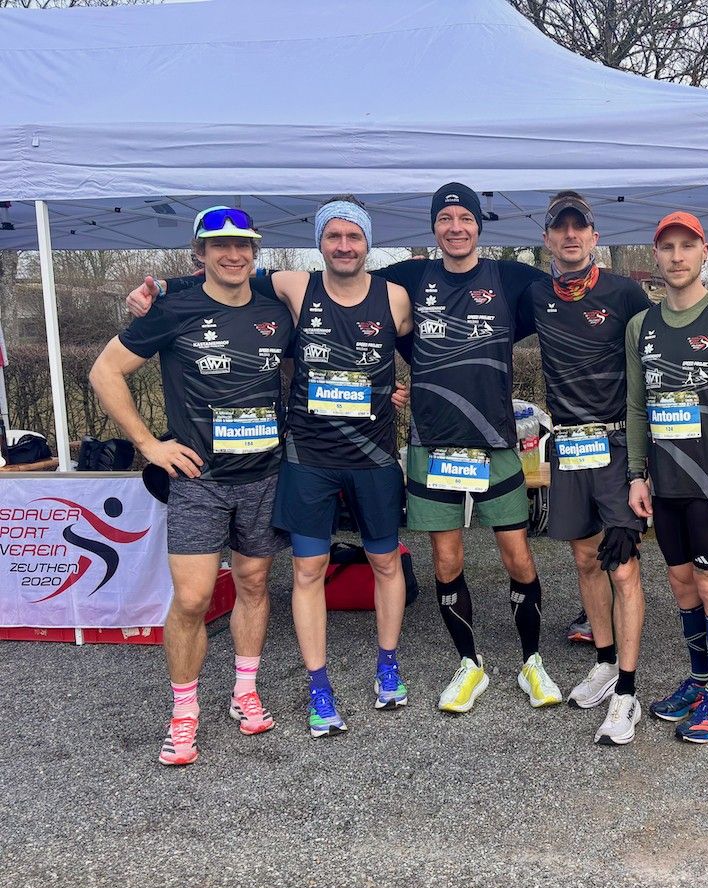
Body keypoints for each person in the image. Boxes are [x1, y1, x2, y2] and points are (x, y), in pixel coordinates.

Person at [124, 198, 416, 736]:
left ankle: (388, 665)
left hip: (372, 457)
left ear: (368, 242)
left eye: (354, 236)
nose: (344, 245)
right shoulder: (293, 287)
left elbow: (428, 354)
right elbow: (225, 276)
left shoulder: (396, 297)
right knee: (305, 571)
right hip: (306, 458)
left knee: (385, 563)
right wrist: (160, 288)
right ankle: (318, 686)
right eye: (333, 236)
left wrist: (401, 391)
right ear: (319, 243)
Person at [90, 207, 294, 765]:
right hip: (199, 481)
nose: (233, 254)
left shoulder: (277, 310)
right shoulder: (172, 308)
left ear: (255, 252)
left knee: (254, 585)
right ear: (199, 253)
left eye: (243, 245)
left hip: (265, 476)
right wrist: (148, 444)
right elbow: (105, 372)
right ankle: (184, 713)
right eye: (219, 245)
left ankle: (244, 691)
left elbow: (308, 363)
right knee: (194, 599)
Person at [376, 182, 563, 712]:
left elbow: (573, 293)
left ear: (480, 225)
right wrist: (378, 380)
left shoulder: (510, 278)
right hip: (432, 443)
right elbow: (347, 299)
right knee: (445, 557)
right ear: (434, 226)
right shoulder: (410, 278)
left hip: (494, 443)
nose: (455, 227)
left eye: (465, 218)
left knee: (518, 555)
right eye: (445, 218)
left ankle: (532, 661)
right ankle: (469, 663)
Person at [518, 191, 652, 745]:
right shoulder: (534, 295)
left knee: (622, 567)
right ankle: (603, 661)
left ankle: (628, 690)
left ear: (595, 236)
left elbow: (658, 356)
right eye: (560, 228)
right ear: (547, 238)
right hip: (569, 447)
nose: (570, 236)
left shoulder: (624, 292)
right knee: (584, 559)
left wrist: (645, 463)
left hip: (617, 445)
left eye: (580, 227)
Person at [625, 211, 708, 743]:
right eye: (668, 247)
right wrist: (636, 475)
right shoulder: (641, 327)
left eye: (688, 246)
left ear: (705, 252)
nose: (677, 256)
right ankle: (700, 680)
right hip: (665, 485)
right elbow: (637, 408)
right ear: (656, 255)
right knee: (682, 584)